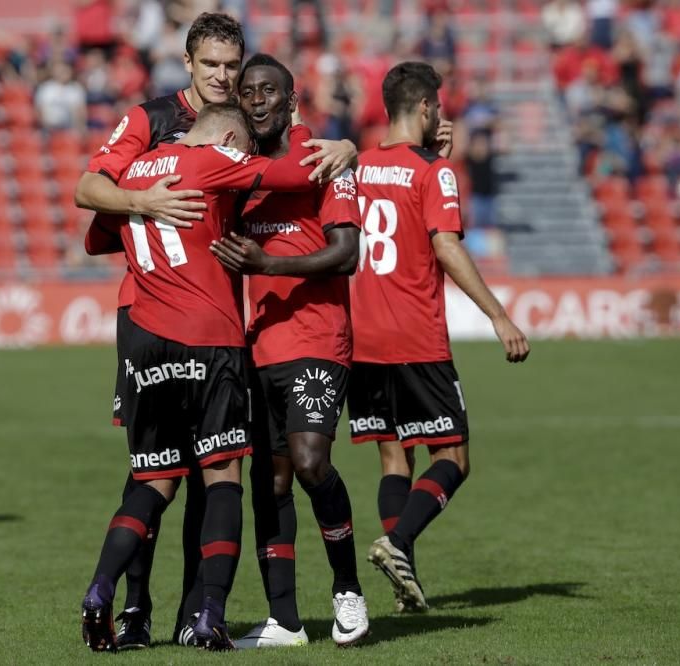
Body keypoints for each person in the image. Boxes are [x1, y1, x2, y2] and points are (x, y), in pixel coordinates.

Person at [77, 11, 357, 650]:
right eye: (212, 66)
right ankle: (143, 609)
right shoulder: (155, 122)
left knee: (173, 474)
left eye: (233, 66)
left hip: (195, 314)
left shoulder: (250, 122)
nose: (225, 77)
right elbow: (88, 190)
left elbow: (100, 233)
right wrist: (145, 202)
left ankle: (176, 611)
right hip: (176, 317)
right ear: (188, 64)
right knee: (187, 471)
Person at [348, 62, 530, 612]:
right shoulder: (434, 173)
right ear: (426, 108)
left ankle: (407, 582)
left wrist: (436, 160)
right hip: (415, 334)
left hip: (363, 337)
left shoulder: (356, 167)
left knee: (394, 460)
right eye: (440, 107)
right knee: (453, 457)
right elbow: (445, 245)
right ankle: (399, 542)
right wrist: (499, 316)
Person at [208, 54, 367, 648]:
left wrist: (268, 262)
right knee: (270, 481)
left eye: (267, 90)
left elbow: (347, 253)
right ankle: (285, 622)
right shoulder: (244, 173)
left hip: (318, 338)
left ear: (291, 98)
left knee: (309, 463)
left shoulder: (323, 160)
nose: (255, 99)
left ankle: (348, 590)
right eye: (247, 91)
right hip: (261, 347)